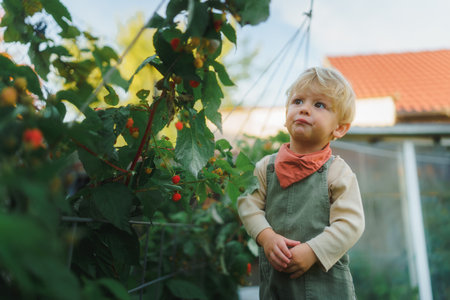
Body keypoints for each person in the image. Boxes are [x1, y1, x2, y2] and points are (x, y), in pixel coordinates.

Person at [238, 67, 365, 299]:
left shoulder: (338, 172)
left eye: (319, 105)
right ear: (286, 113)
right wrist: (267, 237)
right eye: (298, 101)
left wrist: (313, 251)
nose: (304, 108)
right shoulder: (266, 167)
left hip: (327, 288)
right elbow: (248, 204)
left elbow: (351, 223)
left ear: (339, 128)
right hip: (277, 287)